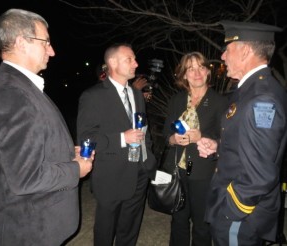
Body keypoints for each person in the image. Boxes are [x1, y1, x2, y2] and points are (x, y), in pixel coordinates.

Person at [0, 9, 93, 246]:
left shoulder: (19, 86)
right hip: (29, 231)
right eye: (45, 42)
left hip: (35, 227)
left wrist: (67, 155)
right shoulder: (11, 93)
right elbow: (25, 177)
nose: (52, 51)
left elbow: (26, 151)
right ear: (22, 43)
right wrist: (76, 169)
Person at [197, 20, 287, 245]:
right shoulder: (250, 89)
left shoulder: (261, 98)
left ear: (245, 51)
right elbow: (252, 144)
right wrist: (219, 146)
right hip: (239, 210)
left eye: (227, 49)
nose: (223, 56)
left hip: (242, 215)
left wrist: (230, 212)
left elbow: (260, 175)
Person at [77, 43, 157, 246]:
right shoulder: (93, 96)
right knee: (105, 231)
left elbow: (143, 128)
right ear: (112, 62)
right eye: (129, 59)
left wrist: (149, 161)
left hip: (139, 173)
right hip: (111, 176)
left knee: (129, 229)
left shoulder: (137, 94)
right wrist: (122, 138)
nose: (136, 63)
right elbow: (86, 137)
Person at [161, 51, 228, 246]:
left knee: (201, 223)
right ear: (183, 74)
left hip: (204, 171)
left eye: (201, 67)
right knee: (179, 220)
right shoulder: (176, 100)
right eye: (191, 68)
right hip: (178, 170)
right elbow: (166, 135)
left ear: (208, 71)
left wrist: (203, 137)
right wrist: (173, 139)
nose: (196, 72)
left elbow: (228, 139)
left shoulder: (220, 102)